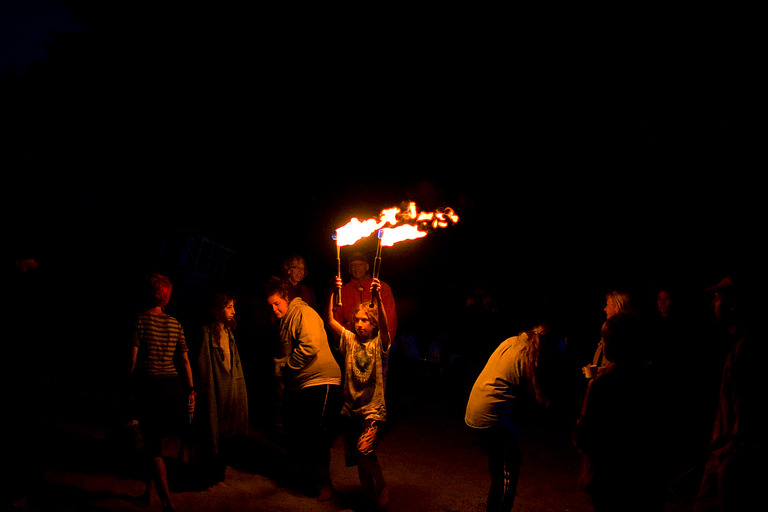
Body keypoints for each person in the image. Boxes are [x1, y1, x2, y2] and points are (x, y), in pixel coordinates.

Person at [465, 319, 560, 512]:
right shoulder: (529, 354)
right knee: (507, 473)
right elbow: (536, 398)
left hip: (476, 409)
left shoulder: (512, 341)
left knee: (500, 464)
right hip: (491, 416)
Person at [694, 276, 767, 512]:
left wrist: (729, 455)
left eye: (718, 298)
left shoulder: (748, 349)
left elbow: (746, 410)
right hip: (725, 456)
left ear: (734, 304)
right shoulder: (739, 346)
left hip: (733, 460)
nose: (713, 304)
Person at [265, 276, 341, 500]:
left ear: (286, 298)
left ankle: (325, 484)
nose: (275, 308)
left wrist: (286, 368)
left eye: (277, 303)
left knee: (317, 435)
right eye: (270, 305)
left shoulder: (303, 313)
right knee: (298, 431)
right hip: (301, 383)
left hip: (322, 381)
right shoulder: (284, 320)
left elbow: (309, 346)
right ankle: (304, 478)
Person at [129, 273, 195, 512]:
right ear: (166, 297)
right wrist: (190, 389)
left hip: (151, 386)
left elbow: (133, 358)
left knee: (153, 446)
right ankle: (148, 493)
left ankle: (168, 504)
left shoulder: (140, 320)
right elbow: (185, 361)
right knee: (152, 441)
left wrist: (126, 383)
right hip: (172, 386)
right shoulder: (176, 323)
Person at [327, 275, 392, 511]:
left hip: (373, 409)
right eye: (357, 320)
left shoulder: (380, 343)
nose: (360, 324)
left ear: (373, 324)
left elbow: (385, 327)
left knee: (364, 451)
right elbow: (331, 321)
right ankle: (369, 502)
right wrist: (334, 293)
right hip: (350, 409)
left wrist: (378, 299)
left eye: (365, 320)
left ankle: (382, 485)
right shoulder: (349, 339)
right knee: (359, 460)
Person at [195, 291, 249, 487]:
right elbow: (204, 365)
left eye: (233, 307)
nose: (233, 311)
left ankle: (219, 474)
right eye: (229, 307)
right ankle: (208, 476)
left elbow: (233, 363)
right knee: (212, 431)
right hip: (215, 389)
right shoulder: (207, 332)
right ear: (218, 310)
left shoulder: (229, 332)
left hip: (229, 390)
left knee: (227, 433)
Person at [334, 251, 398, 340]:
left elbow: (390, 318)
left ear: (367, 266)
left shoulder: (382, 287)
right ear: (349, 269)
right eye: (353, 265)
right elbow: (337, 320)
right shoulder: (343, 290)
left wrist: (385, 340)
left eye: (360, 265)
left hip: (378, 341)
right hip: (350, 341)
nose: (356, 268)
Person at [582, 290, 632, 379]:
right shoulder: (609, 329)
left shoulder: (627, 333)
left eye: (608, 304)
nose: (605, 309)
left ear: (618, 305)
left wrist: (608, 370)